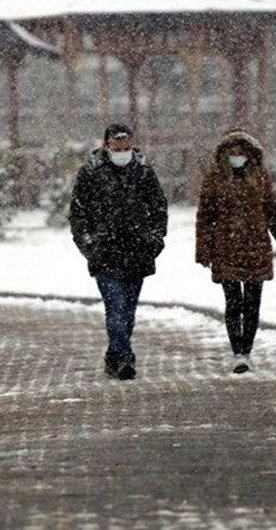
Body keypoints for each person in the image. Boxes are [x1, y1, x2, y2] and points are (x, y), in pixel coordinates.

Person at [70, 123, 168, 380]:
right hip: (105, 255)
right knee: (115, 307)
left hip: (137, 253)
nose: (123, 151)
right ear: (107, 146)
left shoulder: (144, 172)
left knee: (128, 312)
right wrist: (90, 246)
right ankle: (125, 357)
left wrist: (154, 240)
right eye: (118, 147)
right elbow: (78, 214)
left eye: (127, 147)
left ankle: (114, 356)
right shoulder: (91, 173)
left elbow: (158, 208)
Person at [195, 129, 276, 374]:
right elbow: (205, 217)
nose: (237, 156)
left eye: (241, 151)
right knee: (233, 302)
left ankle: (246, 349)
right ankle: (237, 351)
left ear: (250, 153)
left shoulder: (260, 177)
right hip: (225, 248)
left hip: (255, 248)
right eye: (233, 152)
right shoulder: (215, 178)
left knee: (252, 303)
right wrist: (203, 249)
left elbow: (272, 212)